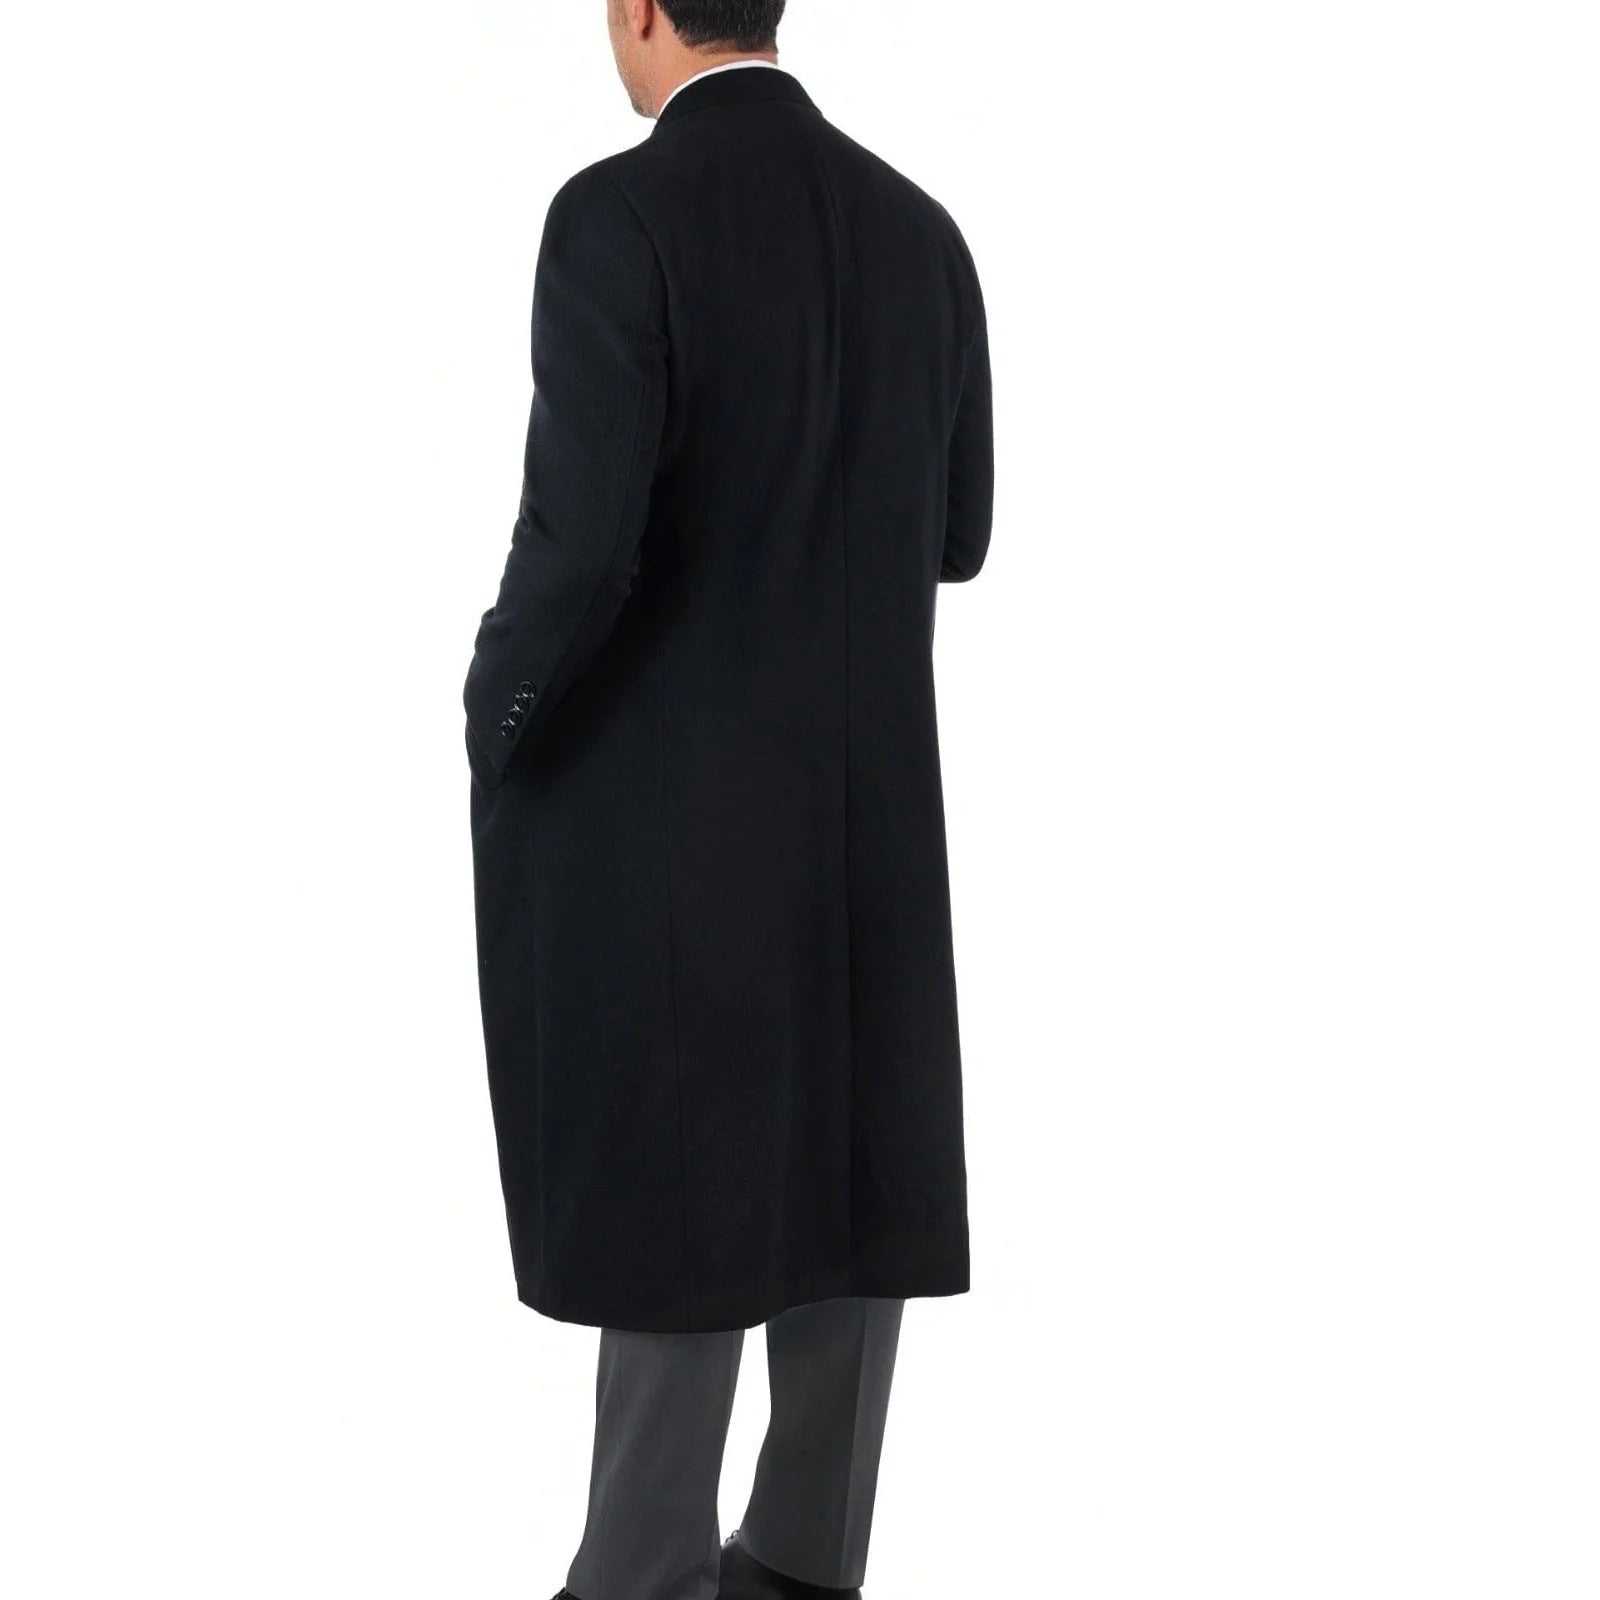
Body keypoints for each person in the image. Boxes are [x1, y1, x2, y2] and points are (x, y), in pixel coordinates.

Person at [462, 2, 993, 1595]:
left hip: (666, 817)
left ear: (641, 8)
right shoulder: (923, 233)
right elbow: (959, 533)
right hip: (869, 814)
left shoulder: (617, 214)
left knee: (675, 1202)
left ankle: (638, 1576)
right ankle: (804, 1565)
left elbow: (582, 545)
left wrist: (495, 709)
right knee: (850, 1177)